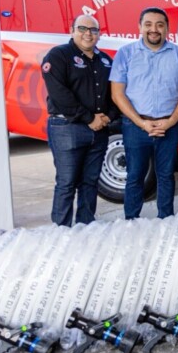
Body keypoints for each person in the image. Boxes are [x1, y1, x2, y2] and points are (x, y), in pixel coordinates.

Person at [110, 7, 178, 219]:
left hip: (169, 127)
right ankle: (131, 221)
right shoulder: (125, 54)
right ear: (139, 27)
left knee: (166, 175)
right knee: (135, 176)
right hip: (135, 126)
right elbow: (117, 94)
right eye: (148, 24)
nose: (153, 29)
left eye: (159, 25)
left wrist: (170, 121)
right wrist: (141, 123)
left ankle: (166, 220)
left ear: (167, 29)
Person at [41, 14, 119, 226]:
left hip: (99, 130)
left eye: (93, 30)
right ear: (72, 30)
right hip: (67, 128)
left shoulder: (105, 60)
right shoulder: (58, 55)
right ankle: (62, 231)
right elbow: (59, 93)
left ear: (99, 34)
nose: (88, 34)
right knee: (67, 183)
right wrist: (88, 118)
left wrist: (108, 117)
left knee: (90, 182)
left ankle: (85, 227)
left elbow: (116, 93)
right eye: (82, 28)